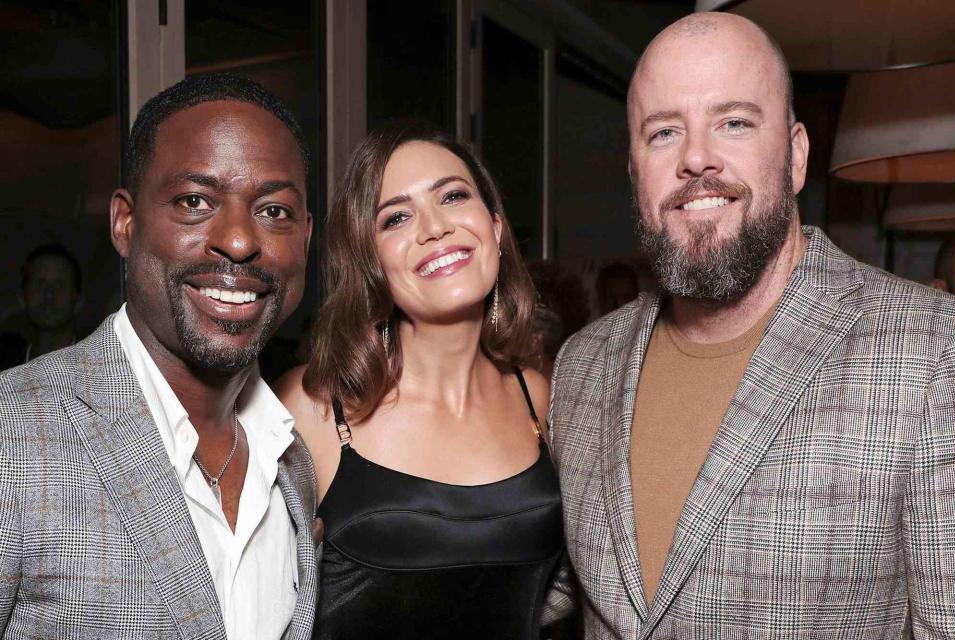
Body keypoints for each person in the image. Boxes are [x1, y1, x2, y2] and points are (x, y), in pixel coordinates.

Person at [549, 12, 955, 639]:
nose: (695, 158)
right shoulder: (582, 365)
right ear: (634, 172)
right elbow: (539, 588)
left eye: (733, 123)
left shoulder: (931, 350)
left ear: (795, 156)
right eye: (663, 133)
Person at [0, 73, 319, 639]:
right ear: (125, 223)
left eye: (274, 211)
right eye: (195, 201)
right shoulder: (15, 434)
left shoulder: (292, 459)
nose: (241, 240)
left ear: (307, 238)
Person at [277, 123, 569, 639]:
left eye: (453, 196)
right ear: (371, 261)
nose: (434, 228)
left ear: (495, 227)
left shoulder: (538, 397)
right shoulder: (314, 407)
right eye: (396, 218)